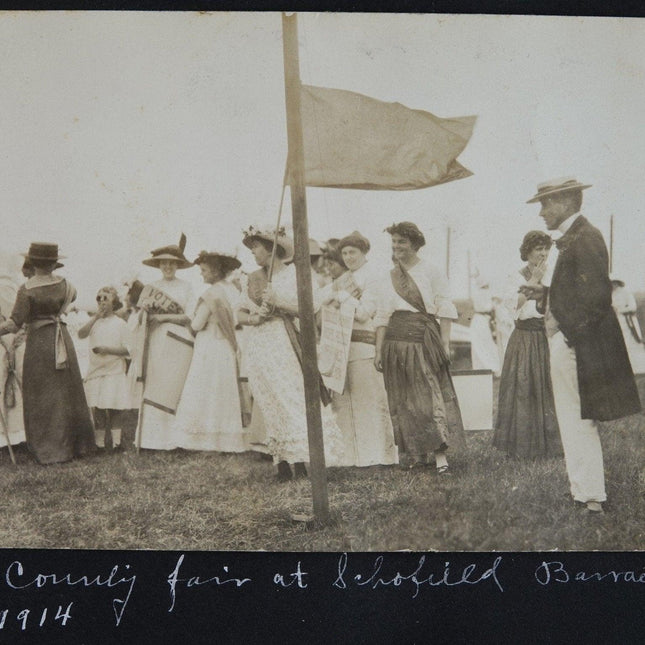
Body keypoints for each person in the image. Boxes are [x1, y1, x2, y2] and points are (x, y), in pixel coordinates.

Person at [523, 177, 641, 513]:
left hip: (577, 345)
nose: (543, 212)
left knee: (578, 419)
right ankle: (582, 491)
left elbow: (596, 298)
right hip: (571, 341)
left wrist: (570, 336)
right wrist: (547, 295)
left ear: (567, 201)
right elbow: (578, 293)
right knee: (571, 418)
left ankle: (591, 497)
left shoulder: (584, 237)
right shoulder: (574, 237)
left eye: (546, 204)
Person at [237, 226, 342, 481]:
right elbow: (239, 313)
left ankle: (304, 460)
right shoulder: (251, 277)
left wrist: (279, 304)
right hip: (260, 343)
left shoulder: (296, 275)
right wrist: (255, 318)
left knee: (291, 397)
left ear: (272, 248)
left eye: (256, 247)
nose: (253, 253)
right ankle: (282, 462)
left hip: (286, 341)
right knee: (270, 400)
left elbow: (311, 307)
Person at [374, 222, 465, 473]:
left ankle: (440, 456)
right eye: (393, 242)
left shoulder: (431, 271)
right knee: (403, 398)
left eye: (401, 242)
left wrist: (444, 343)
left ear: (415, 244)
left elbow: (445, 307)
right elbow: (382, 316)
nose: (396, 247)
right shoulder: (389, 276)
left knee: (428, 393)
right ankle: (417, 453)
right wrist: (378, 350)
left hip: (422, 337)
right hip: (395, 340)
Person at [0, 243, 95, 464]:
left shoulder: (27, 289)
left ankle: (49, 448)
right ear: (54, 263)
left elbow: (14, 323)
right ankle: (76, 445)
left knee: (42, 393)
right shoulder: (66, 285)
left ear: (32, 263)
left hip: (40, 342)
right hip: (61, 337)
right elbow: (72, 299)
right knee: (66, 389)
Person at [321, 231, 397, 466]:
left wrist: (344, 298)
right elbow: (321, 300)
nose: (348, 257)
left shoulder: (374, 276)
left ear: (364, 252)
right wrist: (338, 296)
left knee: (370, 402)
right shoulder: (343, 278)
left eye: (352, 252)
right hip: (342, 345)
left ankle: (377, 456)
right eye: (344, 253)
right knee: (344, 403)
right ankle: (349, 457)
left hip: (364, 343)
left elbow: (366, 313)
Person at [493, 231, 562, 458]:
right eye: (537, 249)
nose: (542, 254)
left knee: (549, 387)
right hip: (523, 337)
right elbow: (512, 305)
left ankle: (551, 445)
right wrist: (533, 281)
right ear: (527, 252)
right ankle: (522, 445)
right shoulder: (516, 277)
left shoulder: (553, 275)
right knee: (522, 388)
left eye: (546, 249)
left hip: (546, 335)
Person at [173, 251, 246, 452]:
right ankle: (225, 440)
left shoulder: (212, 294)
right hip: (227, 345)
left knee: (204, 388)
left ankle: (202, 439)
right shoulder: (233, 290)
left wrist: (191, 321)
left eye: (204, 270)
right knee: (223, 390)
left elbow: (196, 325)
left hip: (209, 345)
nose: (201, 274)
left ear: (215, 271)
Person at [135, 235, 195, 451]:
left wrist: (163, 317)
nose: (167, 266)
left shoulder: (186, 287)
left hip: (177, 343)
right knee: (155, 383)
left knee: (173, 386)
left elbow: (189, 317)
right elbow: (139, 319)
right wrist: (145, 313)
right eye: (163, 263)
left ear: (178, 265)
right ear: (158, 265)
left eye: (172, 262)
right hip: (156, 341)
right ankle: (151, 441)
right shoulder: (150, 288)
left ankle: (174, 440)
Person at [78, 286, 130, 451]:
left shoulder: (121, 324)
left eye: (105, 298)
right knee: (98, 407)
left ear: (114, 302)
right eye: (99, 298)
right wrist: (95, 318)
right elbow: (81, 334)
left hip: (114, 370)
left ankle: (117, 443)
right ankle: (99, 444)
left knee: (114, 407)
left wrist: (108, 350)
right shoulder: (94, 322)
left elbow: (129, 350)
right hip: (96, 371)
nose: (101, 302)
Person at [610, 276, 645, 374]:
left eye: (615, 282)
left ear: (618, 282)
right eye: (612, 282)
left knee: (631, 341)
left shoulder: (625, 292)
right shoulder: (610, 294)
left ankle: (637, 367)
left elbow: (633, 306)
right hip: (616, 322)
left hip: (627, 321)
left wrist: (621, 310)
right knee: (619, 343)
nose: (613, 284)